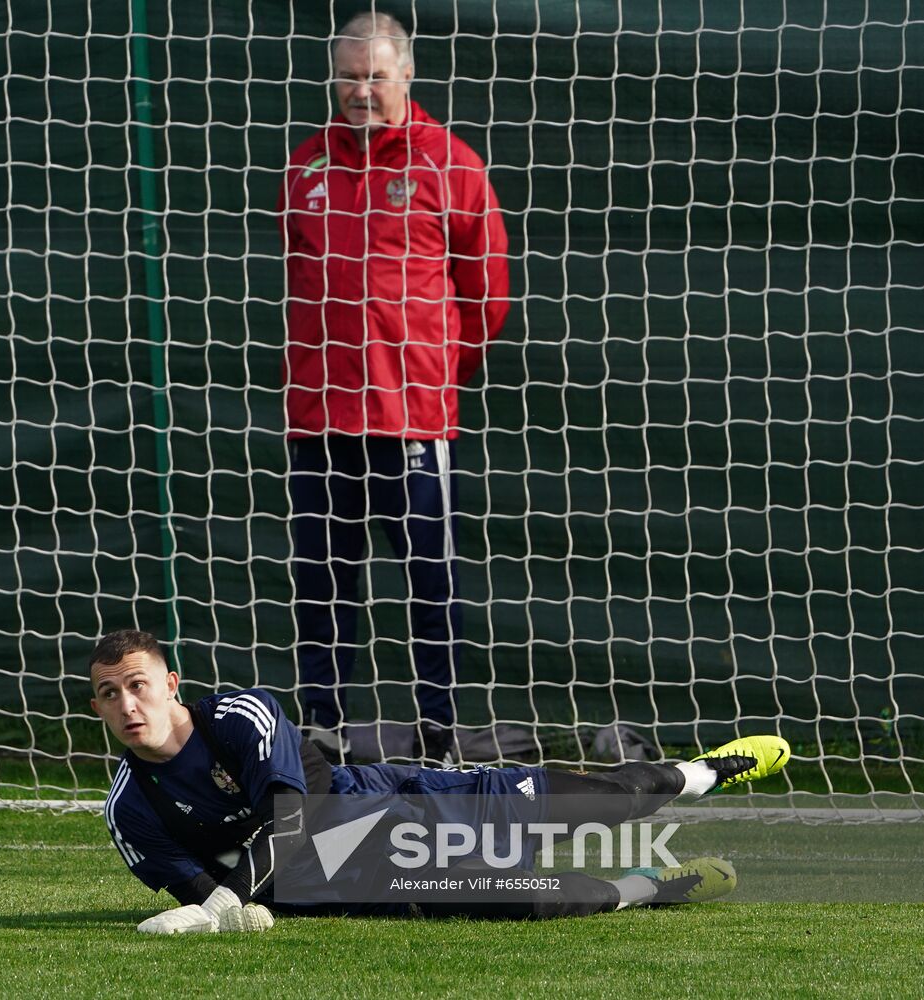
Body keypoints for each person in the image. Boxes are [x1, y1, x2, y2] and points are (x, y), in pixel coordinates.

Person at [89, 629, 791, 934]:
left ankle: (699, 772)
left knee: (573, 803)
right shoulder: (130, 807)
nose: (126, 706)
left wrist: (226, 902)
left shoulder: (240, 716)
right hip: (356, 877)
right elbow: (196, 893)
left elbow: (288, 823)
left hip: (389, 799)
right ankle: (652, 888)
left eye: (137, 686)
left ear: (171, 685)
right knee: (521, 901)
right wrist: (234, 909)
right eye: (108, 694)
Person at [277, 11, 511, 764]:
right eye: (347, 76)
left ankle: (439, 736)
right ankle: (320, 737)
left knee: (430, 589)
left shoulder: (453, 163)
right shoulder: (305, 167)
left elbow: (486, 298)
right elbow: (299, 283)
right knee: (322, 591)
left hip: (413, 421)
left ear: (405, 75)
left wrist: (436, 378)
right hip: (318, 423)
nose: (360, 91)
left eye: (374, 75)